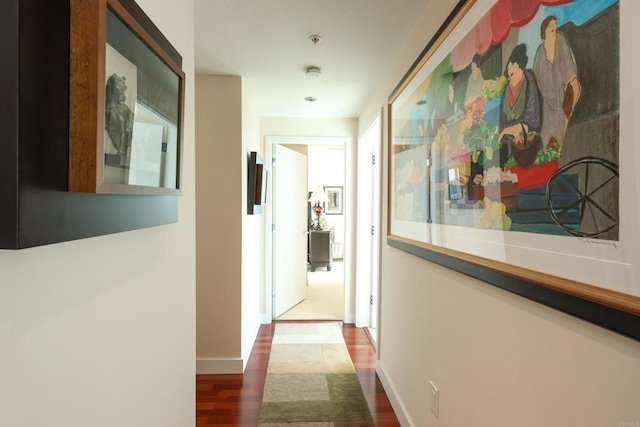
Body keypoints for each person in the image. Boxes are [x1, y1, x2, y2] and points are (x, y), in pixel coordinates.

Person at [533, 15, 581, 152]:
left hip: (561, 95)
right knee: (546, 138)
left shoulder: (560, 40)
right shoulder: (540, 53)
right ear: (544, 31)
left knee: (561, 137)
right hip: (546, 103)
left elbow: (569, 70)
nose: (553, 28)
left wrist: (570, 86)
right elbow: (536, 81)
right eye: (550, 26)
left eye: (555, 25)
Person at [499, 44, 542, 166]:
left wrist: (508, 131)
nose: (509, 68)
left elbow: (532, 120)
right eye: (509, 66)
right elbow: (502, 123)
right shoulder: (506, 91)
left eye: (512, 64)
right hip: (509, 150)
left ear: (520, 65)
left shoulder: (529, 80)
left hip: (527, 148)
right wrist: (506, 133)